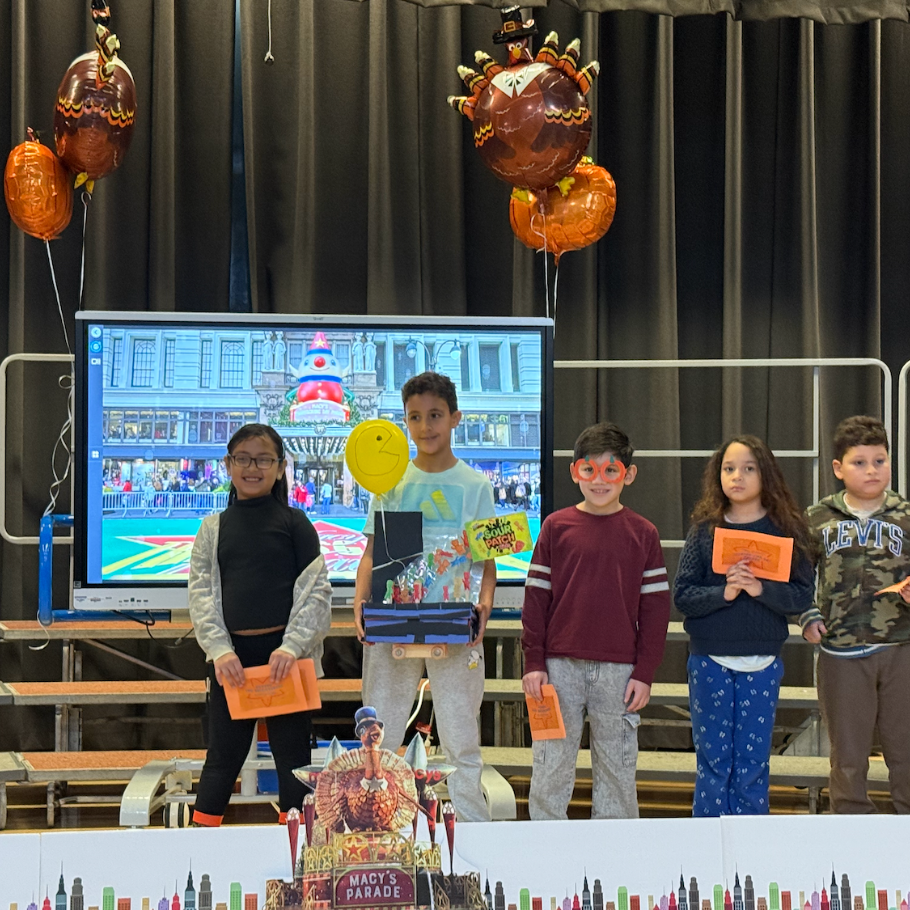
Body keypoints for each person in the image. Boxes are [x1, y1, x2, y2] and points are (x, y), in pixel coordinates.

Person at [353, 371, 497, 822]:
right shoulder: (389, 483)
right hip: (393, 621)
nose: (425, 426)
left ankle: (471, 824)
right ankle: (374, 821)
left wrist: (485, 604)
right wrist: (360, 602)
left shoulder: (476, 486)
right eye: (414, 417)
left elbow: (486, 561)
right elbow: (372, 551)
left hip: (454, 622)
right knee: (379, 732)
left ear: (455, 418)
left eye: (435, 415)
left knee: (461, 735)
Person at [521, 422, 671, 819]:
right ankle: (545, 845)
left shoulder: (644, 534)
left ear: (628, 474)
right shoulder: (555, 527)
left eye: (611, 470)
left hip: (620, 673)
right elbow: (535, 601)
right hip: (558, 670)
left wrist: (645, 672)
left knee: (618, 769)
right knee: (550, 765)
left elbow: (656, 610)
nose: (599, 480)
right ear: (575, 472)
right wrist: (533, 662)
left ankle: (614, 849)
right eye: (589, 469)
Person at [188, 423, 332, 827]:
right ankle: (197, 847)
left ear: (281, 467)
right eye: (244, 459)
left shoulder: (296, 524)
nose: (253, 468)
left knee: (294, 763)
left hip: (286, 663)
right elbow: (201, 595)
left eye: (264, 460)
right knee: (222, 760)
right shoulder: (212, 529)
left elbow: (317, 595)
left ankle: (297, 850)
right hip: (230, 664)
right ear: (228, 465)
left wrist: (291, 647)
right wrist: (220, 651)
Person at [674, 435, 814, 816]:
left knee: (752, 764)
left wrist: (761, 588)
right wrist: (726, 592)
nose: (737, 476)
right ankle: (709, 842)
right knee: (713, 763)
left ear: (766, 474)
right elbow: (683, 595)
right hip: (709, 660)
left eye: (749, 468)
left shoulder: (786, 529)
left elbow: (802, 595)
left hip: (762, 662)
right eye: (729, 469)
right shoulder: (704, 530)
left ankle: (750, 845)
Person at [800, 415, 910, 814]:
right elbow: (796, 576)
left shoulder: (906, 516)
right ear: (838, 468)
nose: (871, 470)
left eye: (879, 461)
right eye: (859, 462)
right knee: (847, 756)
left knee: (906, 749)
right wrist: (807, 615)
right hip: (840, 652)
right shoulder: (817, 518)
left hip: (901, 648)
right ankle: (850, 825)